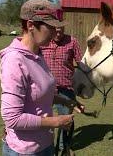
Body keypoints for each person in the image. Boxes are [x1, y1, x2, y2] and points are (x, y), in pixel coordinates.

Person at [0, 0, 75, 156]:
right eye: (50, 28)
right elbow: (12, 118)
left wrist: (66, 101)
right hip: (25, 151)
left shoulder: (38, 54)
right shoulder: (15, 60)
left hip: (44, 144)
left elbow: (38, 95)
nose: (55, 34)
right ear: (30, 25)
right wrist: (56, 121)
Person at [41, 26, 84, 156]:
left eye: (61, 30)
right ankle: (46, 146)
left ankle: (65, 147)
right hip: (45, 89)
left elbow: (81, 63)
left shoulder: (72, 41)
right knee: (43, 118)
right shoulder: (44, 41)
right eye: (56, 31)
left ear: (64, 28)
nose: (58, 34)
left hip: (66, 89)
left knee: (66, 119)